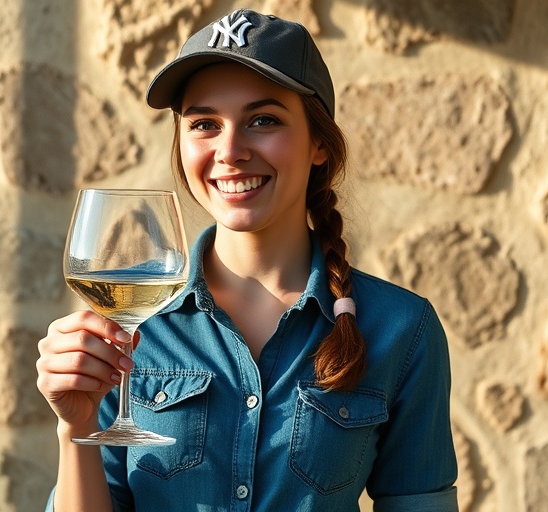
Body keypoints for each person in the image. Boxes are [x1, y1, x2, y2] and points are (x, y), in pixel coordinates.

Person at [37, 8, 458, 511]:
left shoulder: (402, 330)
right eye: (204, 123)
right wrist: (75, 426)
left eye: (263, 120)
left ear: (320, 142)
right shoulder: (125, 325)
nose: (230, 150)